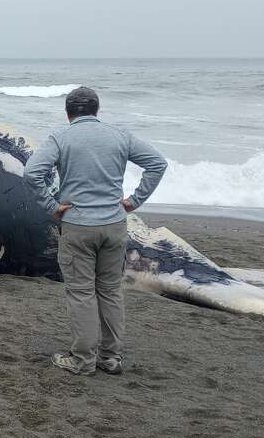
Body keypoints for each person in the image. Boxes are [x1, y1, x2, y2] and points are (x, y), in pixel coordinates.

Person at [23, 87, 168, 376]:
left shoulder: (60, 138)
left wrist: (51, 205)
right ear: (97, 111)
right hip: (114, 225)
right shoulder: (120, 136)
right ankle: (110, 358)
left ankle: (83, 360)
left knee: (81, 293)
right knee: (111, 291)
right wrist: (134, 201)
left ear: (68, 113)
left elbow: (32, 173)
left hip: (78, 225)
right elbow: (157, 163)